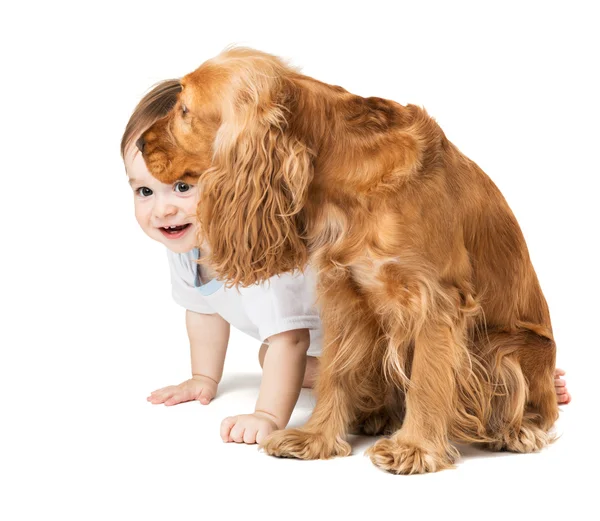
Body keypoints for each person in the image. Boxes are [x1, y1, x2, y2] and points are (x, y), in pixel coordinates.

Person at [120, 80, 571, 446]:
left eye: (182, 186)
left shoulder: (267, 245)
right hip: (348, 349)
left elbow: (293, 342)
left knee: (279, 351)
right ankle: (392, 399)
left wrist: (267, 414)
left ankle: (470, 404)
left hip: (442, 342)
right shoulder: (187, 249)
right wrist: (204, 378)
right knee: (271, 352)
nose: (164, 209)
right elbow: (204, 311)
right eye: (145, 191)